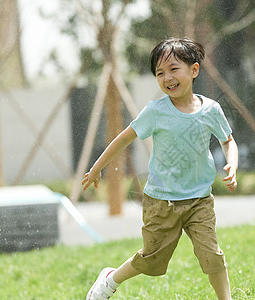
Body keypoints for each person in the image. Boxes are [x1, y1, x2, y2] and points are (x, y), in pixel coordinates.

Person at [82, 37, 238, 300]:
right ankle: (110, 279)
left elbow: (228, 140)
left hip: (199, 198)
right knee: (152, 261)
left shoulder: (211, 109)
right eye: (160, 73)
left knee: (212, 255)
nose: (167, 78)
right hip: (161, 200)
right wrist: (97, 168)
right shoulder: (155, 111)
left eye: (174, 69)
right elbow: (124, 138)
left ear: (194, 70)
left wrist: (231, 163)